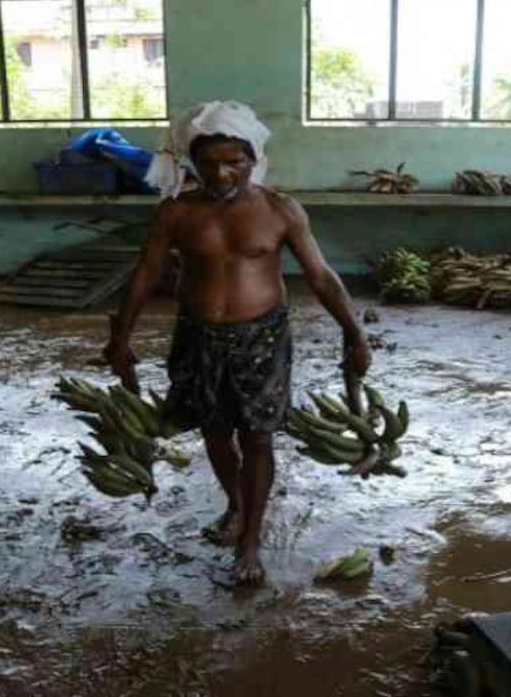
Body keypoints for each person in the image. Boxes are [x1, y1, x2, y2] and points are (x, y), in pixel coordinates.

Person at [104, 102, 370, 586]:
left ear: (254, 159)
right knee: (214, 430)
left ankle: (251, 538)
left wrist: (355, 333)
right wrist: (119, 339)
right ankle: (236, 503)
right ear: (191, 162)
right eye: (208, 163)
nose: (221, 174)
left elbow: (321, 277)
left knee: (259, 437)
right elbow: (145, 275)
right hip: (198, 334)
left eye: (235, 162)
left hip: (262, 337)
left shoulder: (280, 210)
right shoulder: (176, 212)